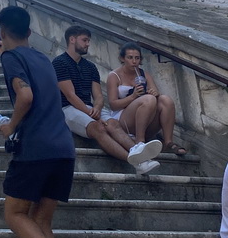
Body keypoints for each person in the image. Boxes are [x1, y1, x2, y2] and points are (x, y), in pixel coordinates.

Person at [0, 6, 76, 238]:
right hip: (64, 148)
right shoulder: (42, 57)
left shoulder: (11, 58)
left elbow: (26, 95)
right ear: (29, 31)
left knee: (15, 214)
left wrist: (10, 125)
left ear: (2, 33)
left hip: (36, 148)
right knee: (42, 221)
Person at [52, 25, 162, 174]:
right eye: (85, 40)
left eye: (88, 40)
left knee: (113, 123)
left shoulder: (90, 67)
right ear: (72, 40)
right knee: (98, 128)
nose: (88, 44)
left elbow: (98, 95)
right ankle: (137, 162)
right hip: (67, 109)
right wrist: (91, 113)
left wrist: (96, 108)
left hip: (89, 107)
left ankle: (137, 150)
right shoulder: (59, 63)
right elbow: (70, 95)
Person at [106, 42, 187, 156]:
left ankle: (168, 142)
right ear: (122, 58)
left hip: (145, 117)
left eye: (137, 58)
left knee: (165, 100)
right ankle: (140, 142)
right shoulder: (114, 76)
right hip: (123, 118)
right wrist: (133, 96)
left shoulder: (144, 74)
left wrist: (154, 93)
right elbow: (113, 104)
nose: (134, 61)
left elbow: (155, 93)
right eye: (130, 58)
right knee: (148, 99)